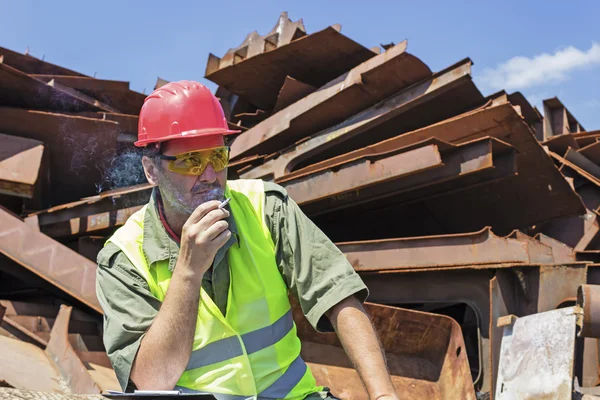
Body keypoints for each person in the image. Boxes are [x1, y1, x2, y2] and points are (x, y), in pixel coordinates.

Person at [96, 80, 398, 400]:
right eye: (192, 161)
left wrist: (383, 396)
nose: (210, 175)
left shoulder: (266, 207)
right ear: (151, 170)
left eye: (218, 157)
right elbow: (151, 380)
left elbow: (338, 295)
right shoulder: (124, 258)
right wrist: (188, 271)